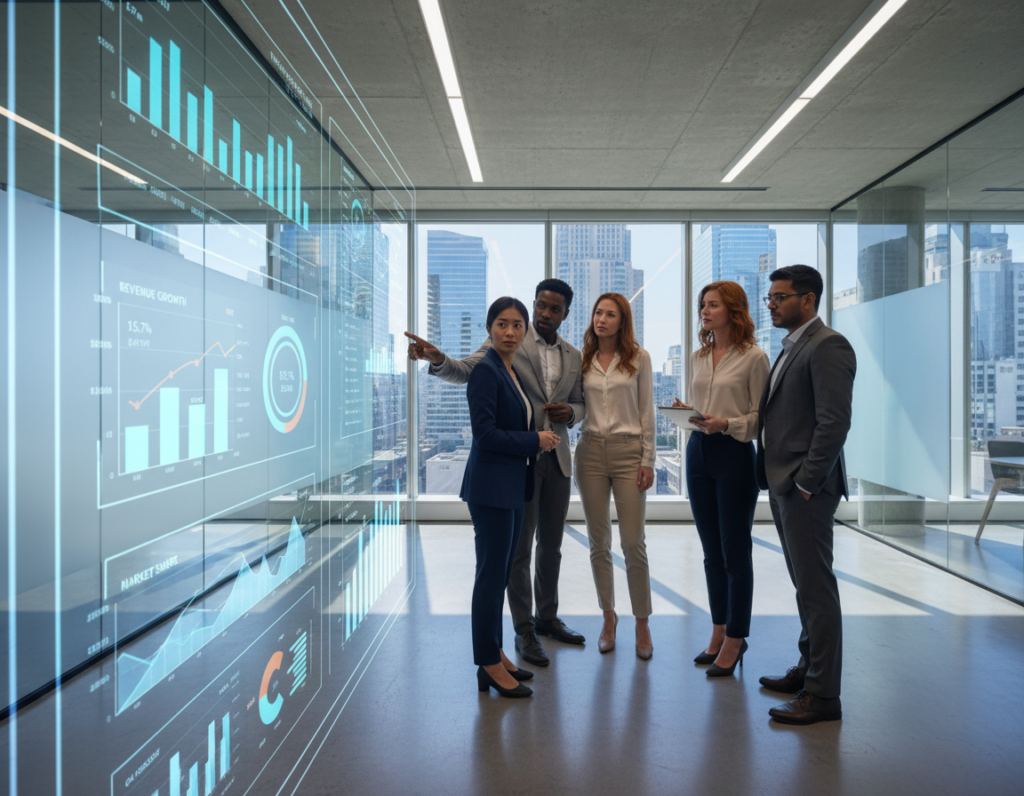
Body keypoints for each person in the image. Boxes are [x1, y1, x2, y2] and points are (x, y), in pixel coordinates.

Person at [405, 279, 586, 668]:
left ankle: (547, 617)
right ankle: (524, 629)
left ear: (566, 314)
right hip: (516, 460)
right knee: (517, 551)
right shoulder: (509, 340)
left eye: (554, 309)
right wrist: (437, 359)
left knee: (551, 546)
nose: (545, 313)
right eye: (540, 305)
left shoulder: (574, 355)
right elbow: (466, 371)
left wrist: (572, 413)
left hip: (557, 459)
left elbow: (580, 402)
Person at [755, 265, 856, 724]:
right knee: (805, 585)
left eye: (780, 297)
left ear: (808, 299)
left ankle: (822, 696)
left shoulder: (828, 345)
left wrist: (805, 482)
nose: (771, 305)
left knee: (816, 590)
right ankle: (808, 668)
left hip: (804, 488)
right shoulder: (793, 346)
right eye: (770, 298)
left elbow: (834, 422)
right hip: (784, 483)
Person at [461, 297, 561, 698]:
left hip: (511, 487)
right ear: (489, 328)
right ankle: (487, 663)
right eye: (502, 324)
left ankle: (496, 652)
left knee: (500, 575)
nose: (510, 332)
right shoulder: (485, 371)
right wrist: (535, 440)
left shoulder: (509, 370)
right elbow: (485, 435)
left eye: (518, 325)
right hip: (491, 489)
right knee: (490, 578)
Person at [674, 281, 770, 678]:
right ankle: (718, 630)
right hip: (697, 452)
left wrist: (726, 423)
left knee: (735, 551)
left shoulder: (755, 358)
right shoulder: (698, 357)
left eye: (712, 304)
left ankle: (736, 637)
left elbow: (761, 418)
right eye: (703, 305)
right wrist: (688, 411)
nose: (704, 311)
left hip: (734, 454)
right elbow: (703, 407)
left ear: (733, 309)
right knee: (711, 552)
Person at [574, 292, 656, 659]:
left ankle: (642, 622)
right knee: (598, 542)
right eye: (597, 313)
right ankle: (608, 618)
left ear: (623, 321)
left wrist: (648, 459)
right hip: (589, 451)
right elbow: (577, 407)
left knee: (633, 542)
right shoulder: (583, 359)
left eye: (610, 314)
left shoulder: (639, 358)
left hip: (628, 452)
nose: (601, 319)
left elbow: (646, 410)